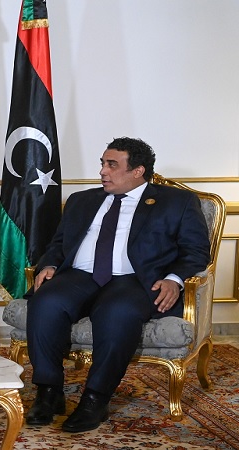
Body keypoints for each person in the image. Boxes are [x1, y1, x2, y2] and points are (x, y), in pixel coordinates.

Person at [24, 137, 211, 433]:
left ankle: (95, 399)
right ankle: (49, 392)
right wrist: (49, 265)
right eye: (102, 163)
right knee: (45, 301)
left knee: (116, 313)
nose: (103, 171)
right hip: (80, 275)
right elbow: (58, 244)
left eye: (112, 165)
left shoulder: (177, 202)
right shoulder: (81, 200)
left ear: (138, 171)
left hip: (135, 280)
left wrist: (174, 279)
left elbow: (197, 251)